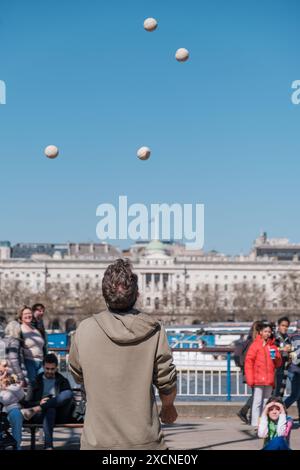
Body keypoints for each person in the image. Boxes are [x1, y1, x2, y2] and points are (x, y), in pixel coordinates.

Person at [69, 258, 177, 450]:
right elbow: (166, 382)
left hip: (97, 441)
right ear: (137, 294)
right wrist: (168, 408)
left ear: (104, 294)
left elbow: (77, 374)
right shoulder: (154, 330)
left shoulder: (84, 329)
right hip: (145, 441)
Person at [22, 353, 74, 450]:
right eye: (47, 368)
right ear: (43, 367)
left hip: (60, 415)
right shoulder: (35, 382)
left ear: (56, 367)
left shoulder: (62, 380)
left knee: (68, 393)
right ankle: (48, 447)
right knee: (50, 409)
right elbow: (27, 403)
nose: (50, 371)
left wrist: (44, 405)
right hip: (40, 416)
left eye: (52, 369)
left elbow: (67, 398)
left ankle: (42, 407)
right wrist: (39, 403)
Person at [245, 323, 282, 427]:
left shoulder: (272, 346)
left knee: (266, 402)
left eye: (269, 332)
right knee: (257, 402)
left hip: (269, 378)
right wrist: (250, 378)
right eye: (265, 331)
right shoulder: (255, 345)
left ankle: (263, 423)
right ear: (260, 332)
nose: (267, 334)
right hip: (258, 378)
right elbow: (249, 362)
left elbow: (278, 364)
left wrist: (276, 356)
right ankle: (255, 424)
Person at [235, 320, 263, 424]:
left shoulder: (248, 341)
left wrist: (242, 366)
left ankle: (249, 414)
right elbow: (238, 355)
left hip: (251, 371)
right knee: (257, 393)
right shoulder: (252, 343)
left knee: (256, 393)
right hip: (253, 371)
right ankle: (245, 411)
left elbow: (237, 355)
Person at [18, 306, 45, 386]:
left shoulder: (35, 329)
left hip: (40, 362)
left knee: (41, 384)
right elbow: (18, 347)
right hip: (29, 362)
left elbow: (42, 345)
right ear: (21, 316)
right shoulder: (20, 329)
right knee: (32, 386)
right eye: (25, 314)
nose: (28, 315)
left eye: (29, 313)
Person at [0, 368, 25, 450]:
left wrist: (6, 388)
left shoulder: (15, 387)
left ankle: (17, 446)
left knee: (16, 415)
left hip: (13, 409)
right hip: (2, 412)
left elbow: (20, 394)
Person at [2, 321, 28, 387]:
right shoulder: (15, 341)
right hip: (13, 375)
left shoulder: (2, 340)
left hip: (3, 374)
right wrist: (21, 377)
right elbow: (14, 360)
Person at [284, 320, 300, 422]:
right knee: (295, 395)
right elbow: (298, 355)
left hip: (292, 368)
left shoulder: (291, 336)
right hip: (296, 369)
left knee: (298, 395)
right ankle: (279, 410)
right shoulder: (297, 337)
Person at [274, 316, 292, 397]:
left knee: (281, 391)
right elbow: (270, 350)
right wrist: (282, 349)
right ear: (278, 325)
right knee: (274, 391)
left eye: (286, 326)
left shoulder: (287, 337)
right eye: (283, 325)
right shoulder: (274, 336)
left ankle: (278, 407)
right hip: (275, 367)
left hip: (284, 367)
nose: (285, 328)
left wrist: (290, 355)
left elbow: (288, 350)